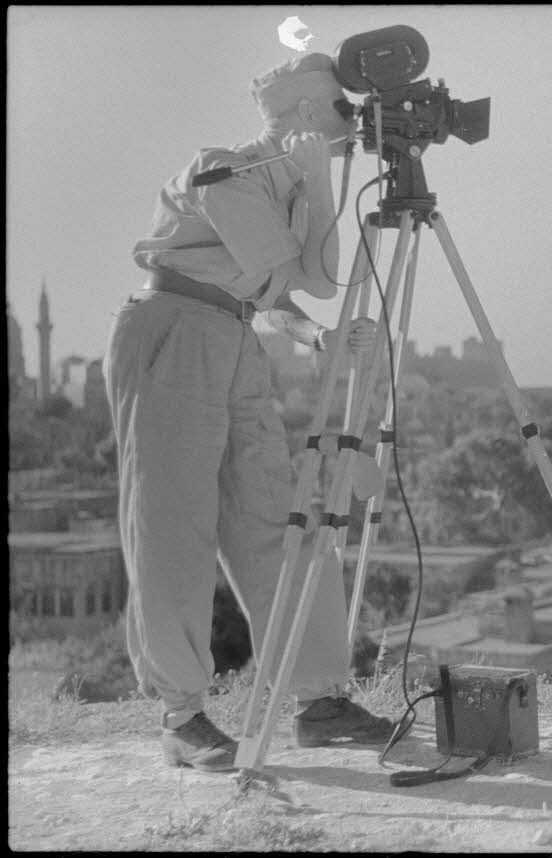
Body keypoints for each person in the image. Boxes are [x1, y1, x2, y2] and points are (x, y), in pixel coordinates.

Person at [104, 53, 391, 773]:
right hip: (172, 333)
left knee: (278, 516)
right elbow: (287, 269)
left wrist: (316, 337)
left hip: (233, 337)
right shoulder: (223, 170)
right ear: (305, 114)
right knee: (173, 525)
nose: (353, 127)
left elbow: (295, 293)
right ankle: (181, 715)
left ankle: (319, 700)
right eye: (342, 112)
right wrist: (319, 183)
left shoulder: (293, 186)